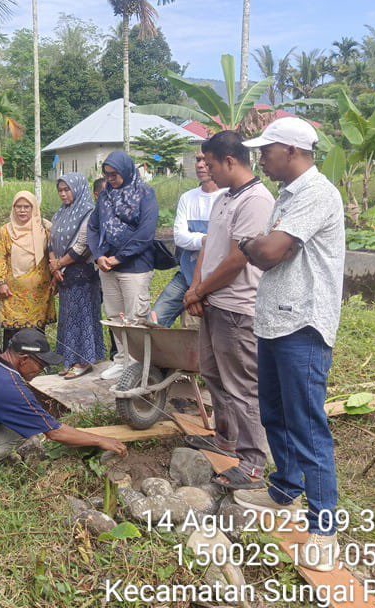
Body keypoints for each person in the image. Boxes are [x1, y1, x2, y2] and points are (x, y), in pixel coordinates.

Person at [234, 117, 347, 572]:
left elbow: (268, 253)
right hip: (275, 322)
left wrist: (253, 244)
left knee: (307, 425)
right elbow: (267, 250)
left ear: (293, 152)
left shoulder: (317, 193)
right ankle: (284, 490)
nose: (261, 158)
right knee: (274, 413)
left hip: (303, 325)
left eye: (267, 150)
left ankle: (324, 528)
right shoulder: (287, 195)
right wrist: (258, 245)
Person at [182, 131, 274, 492]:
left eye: (211, 163)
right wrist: (195, 289)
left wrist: (201, 290)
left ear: (230, 161)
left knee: (242, 387)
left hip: (238, 308)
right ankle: (226, 439)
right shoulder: (224, 198)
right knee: (213, 374)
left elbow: (238, 259)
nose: (206, 169)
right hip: (213, 302)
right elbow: (209, 246)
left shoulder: (256, 200)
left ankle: (252, 464)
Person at [0, 329, 128, 464]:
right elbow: (55, 433)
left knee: (12, 417)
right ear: (24, 359)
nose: (41, 371)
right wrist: (100, 440)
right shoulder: (10, 389)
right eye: (41, 365)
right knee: (22, 431)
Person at [88, 152, 158, 367]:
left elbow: (146, 232)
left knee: (135, 318)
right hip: (107, 267)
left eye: (114, 174)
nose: (110, 179)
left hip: (135, 267)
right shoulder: (106, 196)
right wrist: (99, 256)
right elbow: (93, 227)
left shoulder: (145, 194)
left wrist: (119, 258)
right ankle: (121, 361)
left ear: (127, 171)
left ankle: (138, 365)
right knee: (115, 317)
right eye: (107, 174)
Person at [151, 153, 224, 327]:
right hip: (186, 275)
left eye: (205, 160)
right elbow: (179, 237)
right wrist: (205, 240)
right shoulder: (187, 198)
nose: (200, 165)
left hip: (216, 280)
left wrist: (195, 238)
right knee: (154, 320)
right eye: (197, 160)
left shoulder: (227, 197)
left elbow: (223, 243)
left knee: (203, 330)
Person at [48, 173, 104, 378]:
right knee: (68, 318)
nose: (63, 194)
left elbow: (83, 246)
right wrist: (55, 267)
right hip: (63, 275)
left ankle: (84, 361)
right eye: (60, 190)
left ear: (78, 189)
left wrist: (59, 264)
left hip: (82, 274)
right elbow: (51, 242)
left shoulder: (89, 213)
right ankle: (69, 359)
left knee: (82, 317)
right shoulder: (60, 214)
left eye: (67, 190)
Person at [0, 191, 55, 347]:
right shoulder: (6, 231)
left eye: (27, 207)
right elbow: (0, 257)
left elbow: (53, 254)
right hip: (12, 293)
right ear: (13, 208)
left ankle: (36, 359)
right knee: (13, 332)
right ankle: (11, 359)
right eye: (18, 207)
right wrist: (1, 282)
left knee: (36, 332)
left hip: (38, 293)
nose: (22, 210)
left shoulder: (45, 229)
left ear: (34, 208)